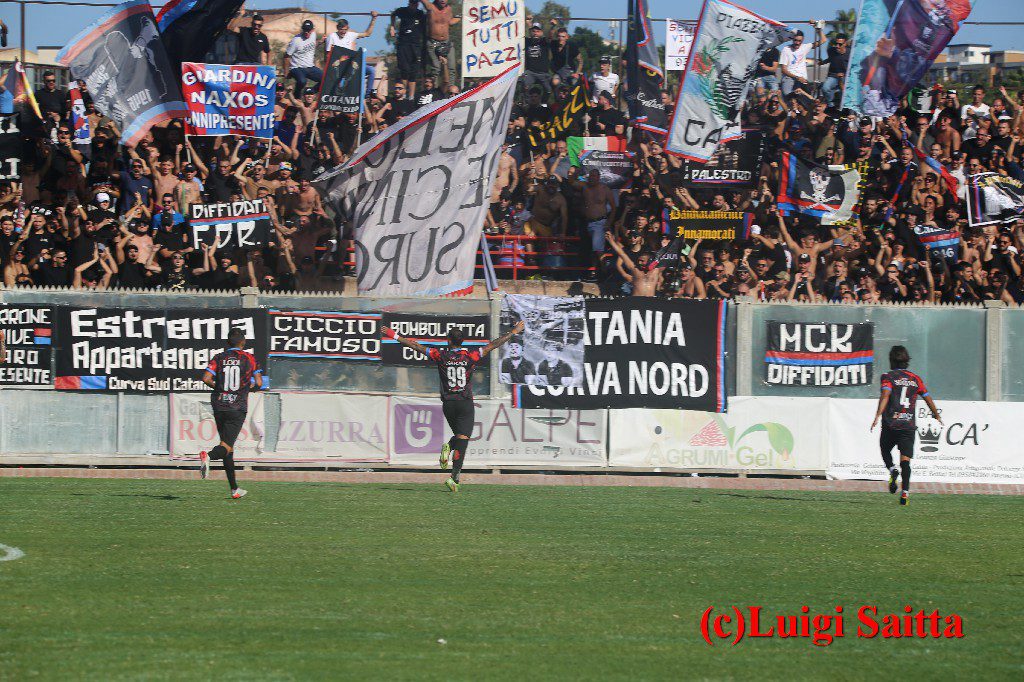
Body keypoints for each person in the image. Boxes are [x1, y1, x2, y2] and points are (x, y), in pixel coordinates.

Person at [381, 321, 525, 492]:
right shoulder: (471, 356)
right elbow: (494, 344)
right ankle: (454, 477)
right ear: (462, 341)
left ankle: (450, 449)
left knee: (459, 436)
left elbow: (415, 346)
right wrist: (514, 331)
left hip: (448, 404)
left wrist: (394, 335)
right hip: (464, 403)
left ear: (449, 341)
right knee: (462, 439)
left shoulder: (440, 355)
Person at [870, 345, 942, 506]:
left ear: (891, 360)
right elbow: (927, 397)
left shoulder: (887, 377)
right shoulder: (915, 379)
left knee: (884, 449)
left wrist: (877, 415)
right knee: (906, 460)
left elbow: (885, 395)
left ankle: (891, 469)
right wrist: (936, 414)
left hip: (891, 424)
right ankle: (905, 494)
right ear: (907, 361)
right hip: (908, 425)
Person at [198, 328, 265, 499]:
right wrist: (245, 389)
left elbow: (206, 378)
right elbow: (258, 383)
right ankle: (209, 456)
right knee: (226, 446)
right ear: (243, 342)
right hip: (237, 407)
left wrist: (220, 388)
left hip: (219, 405)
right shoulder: (250, 359)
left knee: (227, 447)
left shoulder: (219, 358)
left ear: (228, 343)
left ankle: (234, 489)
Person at [391, 0, 427, 99]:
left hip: (415, 45)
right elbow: (393, 14)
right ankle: (403, 94)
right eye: (412, 3)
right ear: (409, 3)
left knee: (414, 72)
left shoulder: (420, 14)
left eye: (415, 3)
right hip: (403, 43)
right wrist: (392, 27)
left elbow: (425, 28)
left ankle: (411, 97)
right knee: (404, 70)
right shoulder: (402, 11)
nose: (414, 5)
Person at [779, 23, 825, 97]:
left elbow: (823, 40)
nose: (797, 43)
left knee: (807, 100)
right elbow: (783, 70)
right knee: (789, 97)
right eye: (795, 40)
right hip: (790, 78)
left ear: (803, 40)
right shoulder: (786, 49)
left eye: (799, 41)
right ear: (792, 39)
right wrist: (797, 77)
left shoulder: (805, 47)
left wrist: (817, 28)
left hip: (802, 79)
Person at [420, 0, 459, 87]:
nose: (443, 0)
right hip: (433, 42)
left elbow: (451, 22)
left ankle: (451, 90)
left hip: (446, 42)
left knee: (452, 67)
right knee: (436, 68)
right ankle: (435, 90)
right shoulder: (430, 7)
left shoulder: (449, 9)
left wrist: (459, 18)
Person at [284, 20, 323, 97]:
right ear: (302, 29)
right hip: (297, 68)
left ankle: (310, 92)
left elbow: (312, 45)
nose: (307, 32)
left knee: (325, 79)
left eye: (309, 30)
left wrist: (321, 41)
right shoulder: (296, 41)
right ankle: (296, 97)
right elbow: (286, 56)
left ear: (312, 30)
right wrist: (286, 72)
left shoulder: (313, 35)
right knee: (302, 81)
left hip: (310, 67)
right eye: (305, 30)